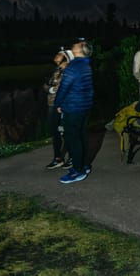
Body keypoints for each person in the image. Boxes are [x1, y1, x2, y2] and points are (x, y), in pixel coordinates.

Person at [55, 39, 94, 184]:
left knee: (73, 139)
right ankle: (83, 164)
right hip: (85, 107)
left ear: (81, 50)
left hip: (73, 107)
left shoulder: (73, 66)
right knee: (82, 136)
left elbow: (64, 87)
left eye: (77, 45)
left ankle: (78, 171)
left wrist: (58, 104)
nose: (74, 45)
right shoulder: (86, 65)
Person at [43, 48, 73, 170]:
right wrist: (49, 89)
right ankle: (58, 158)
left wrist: (55, 89)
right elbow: (46, 85)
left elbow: (67, 88)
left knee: (67, 131)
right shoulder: (56, 70)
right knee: (54, 131)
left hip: (63, 105)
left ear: (66, 58)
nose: (56, 56)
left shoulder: (69, 71)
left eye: (59, 54)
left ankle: (72, 157)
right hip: (51, 104)